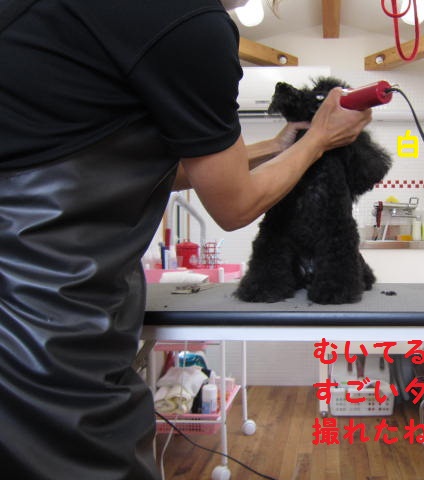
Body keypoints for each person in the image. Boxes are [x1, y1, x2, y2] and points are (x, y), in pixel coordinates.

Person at [0, 0, 371, 478]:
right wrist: (319, 139)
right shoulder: (190, 22)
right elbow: (235, 205)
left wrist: (279, 146)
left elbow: (154, 170)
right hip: (33, 306)